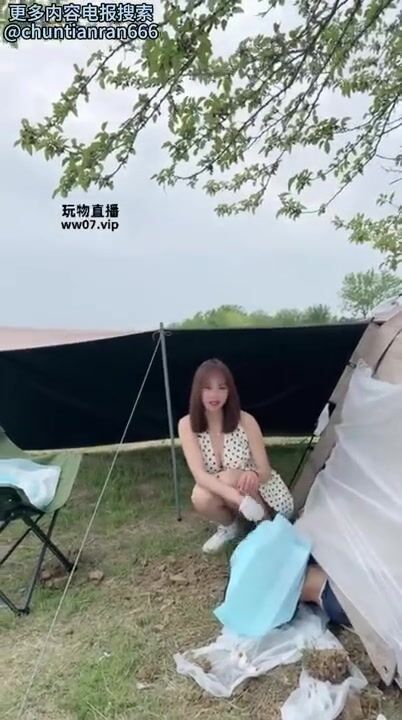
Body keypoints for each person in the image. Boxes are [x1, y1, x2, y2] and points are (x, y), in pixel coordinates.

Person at [178, 358, 294, 553]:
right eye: (207, 388)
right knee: (200, 496)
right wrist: (239, 500)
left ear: (229, 391)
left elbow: (265, 470)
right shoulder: (186, 425)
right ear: (197, 391)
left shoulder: (246, 421)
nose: (215, 394)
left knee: (230, 476)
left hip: (262, 493)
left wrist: (254, 474)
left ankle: (265, 525)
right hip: (235, 498)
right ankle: (232, 527)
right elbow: (199, 475)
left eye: (221, 387)